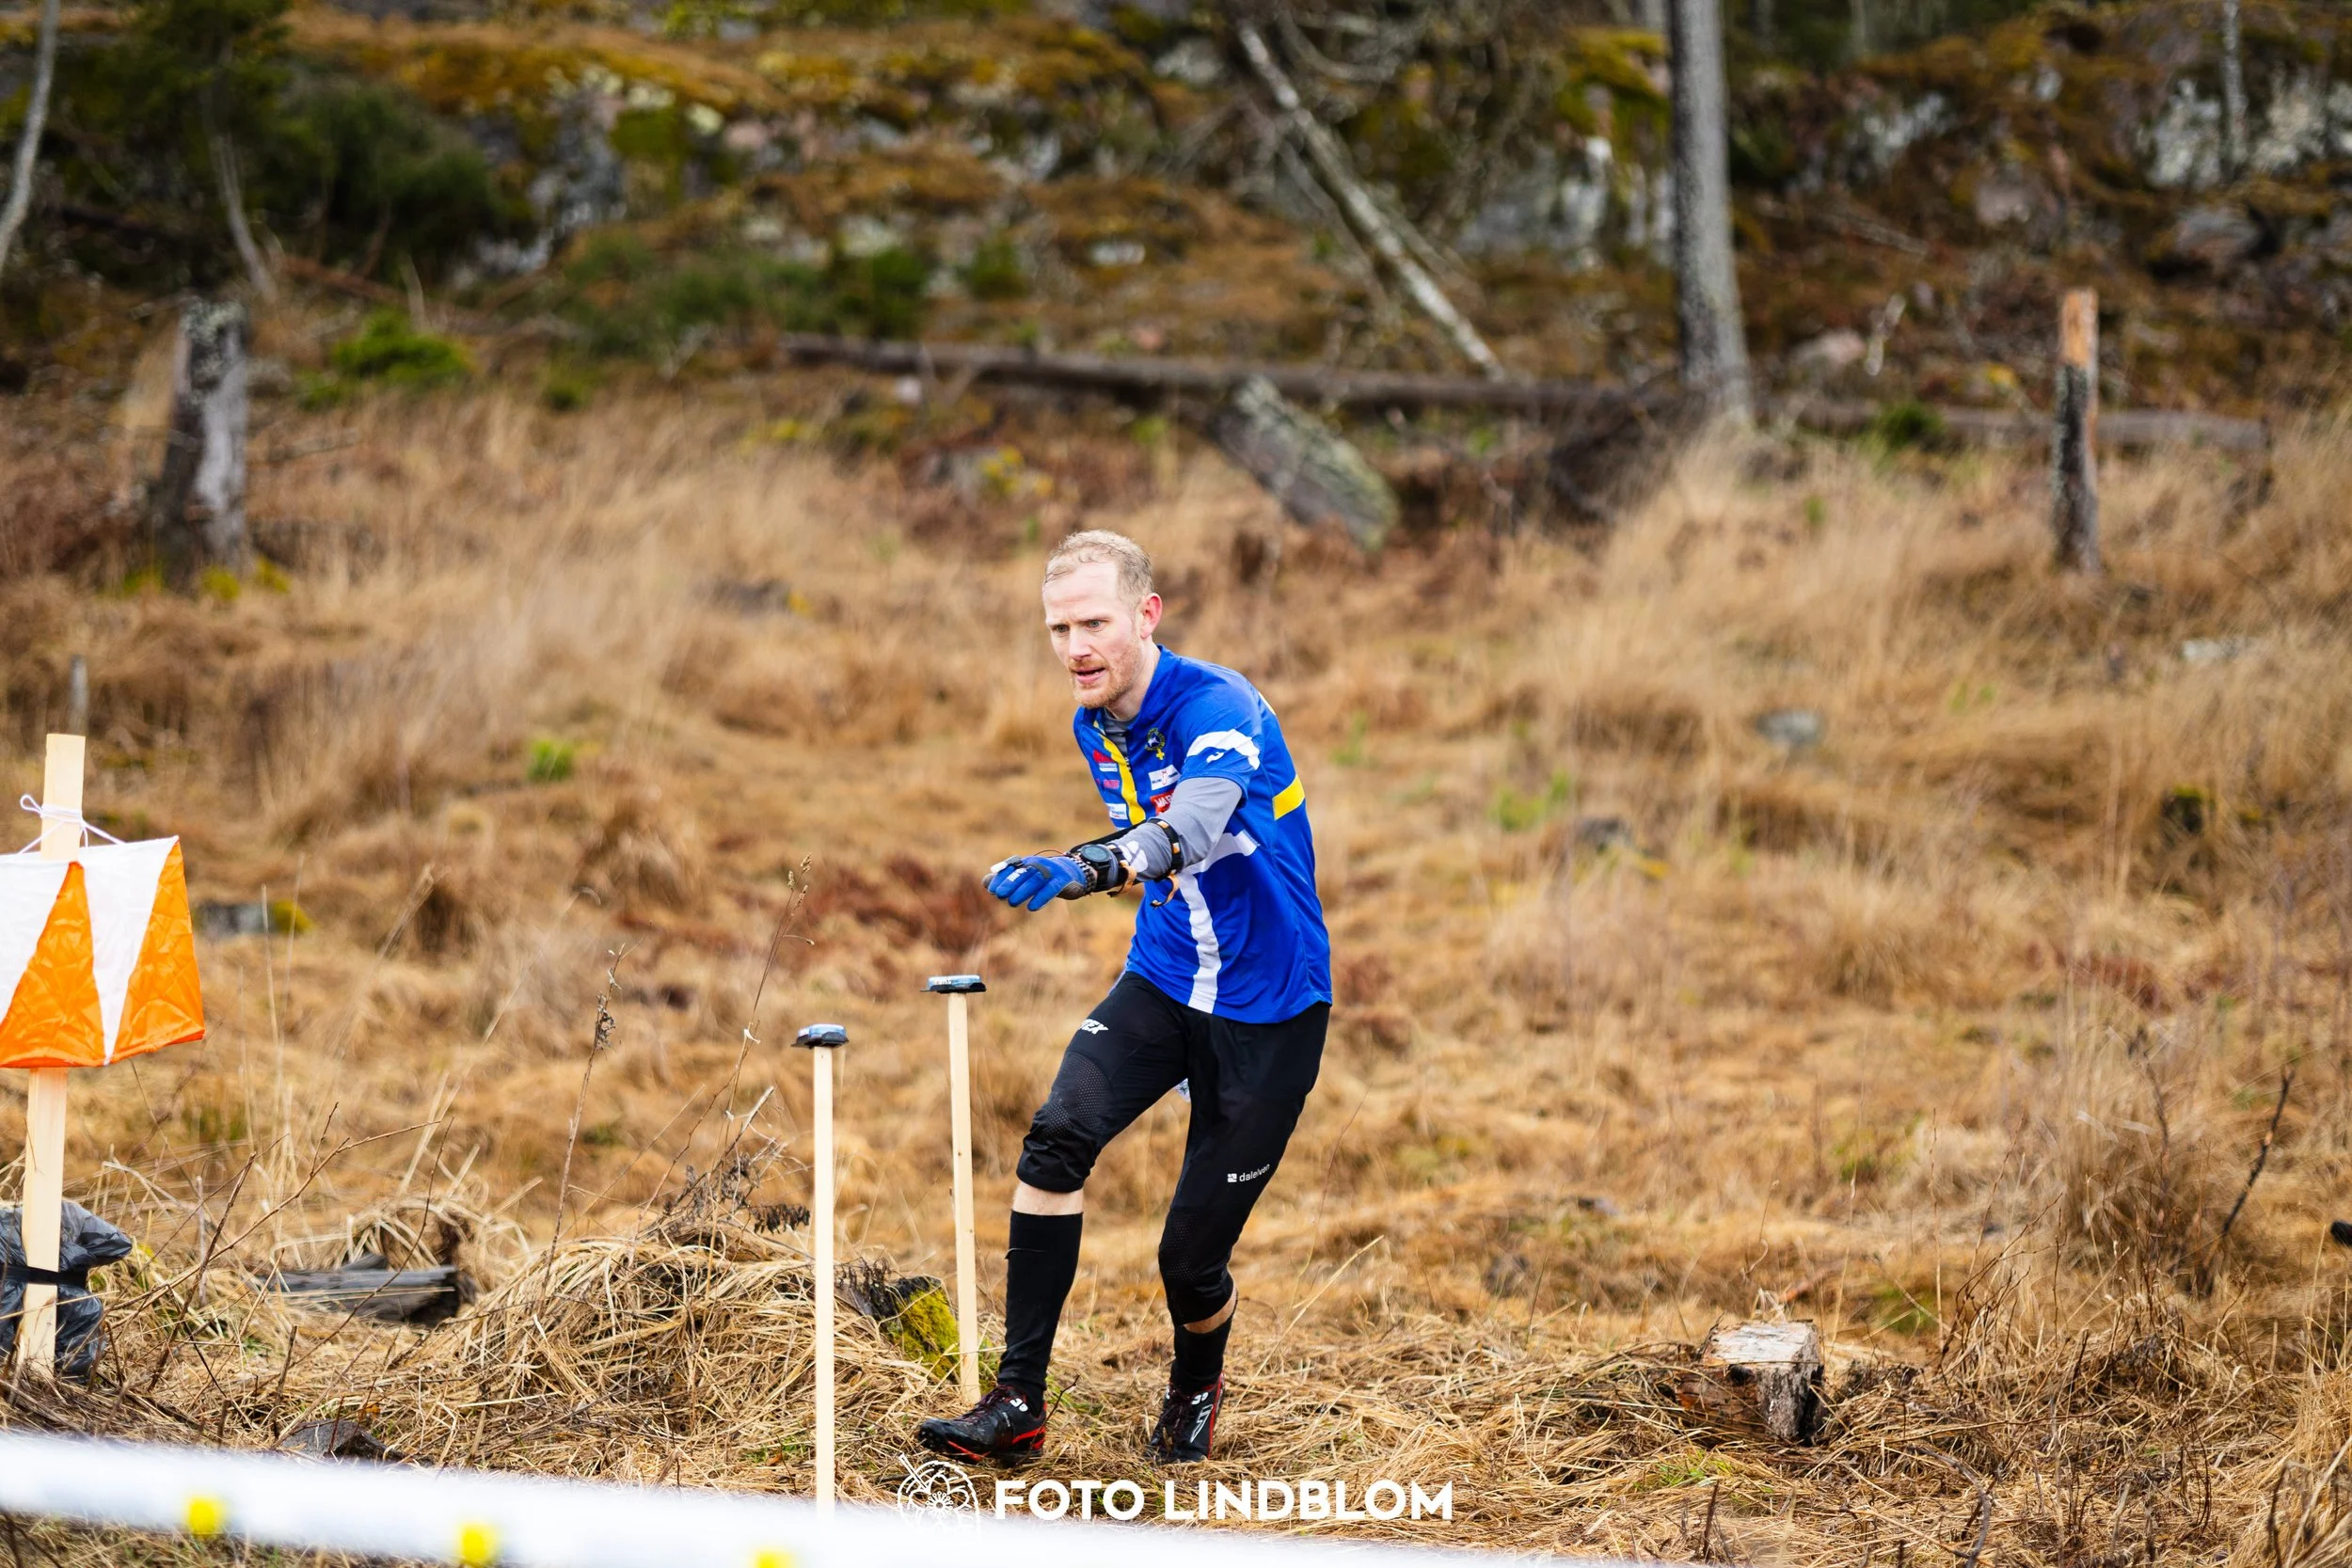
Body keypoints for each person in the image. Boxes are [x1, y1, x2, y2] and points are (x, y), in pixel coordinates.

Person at [916, 530, 1331, 1466]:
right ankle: (1017, 1400)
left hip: (1270, 1006)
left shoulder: (1222, 708)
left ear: (1147, 614)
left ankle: (1196, 1380)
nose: (1075, 647)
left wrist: (1087, 864)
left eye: (1094, 622)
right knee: (1056, 1133)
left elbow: (1187, 825)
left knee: (1186, 1260)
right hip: (1165, 971)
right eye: (1059, 629)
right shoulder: (1093, 719)